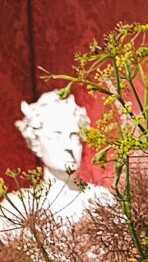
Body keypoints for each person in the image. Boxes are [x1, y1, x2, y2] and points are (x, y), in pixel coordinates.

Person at [0, 91, 117, 234]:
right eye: (56, 135)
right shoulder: (16, 208)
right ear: (36, 143)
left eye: (74, 136)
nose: (68, 146)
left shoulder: (101, 200)